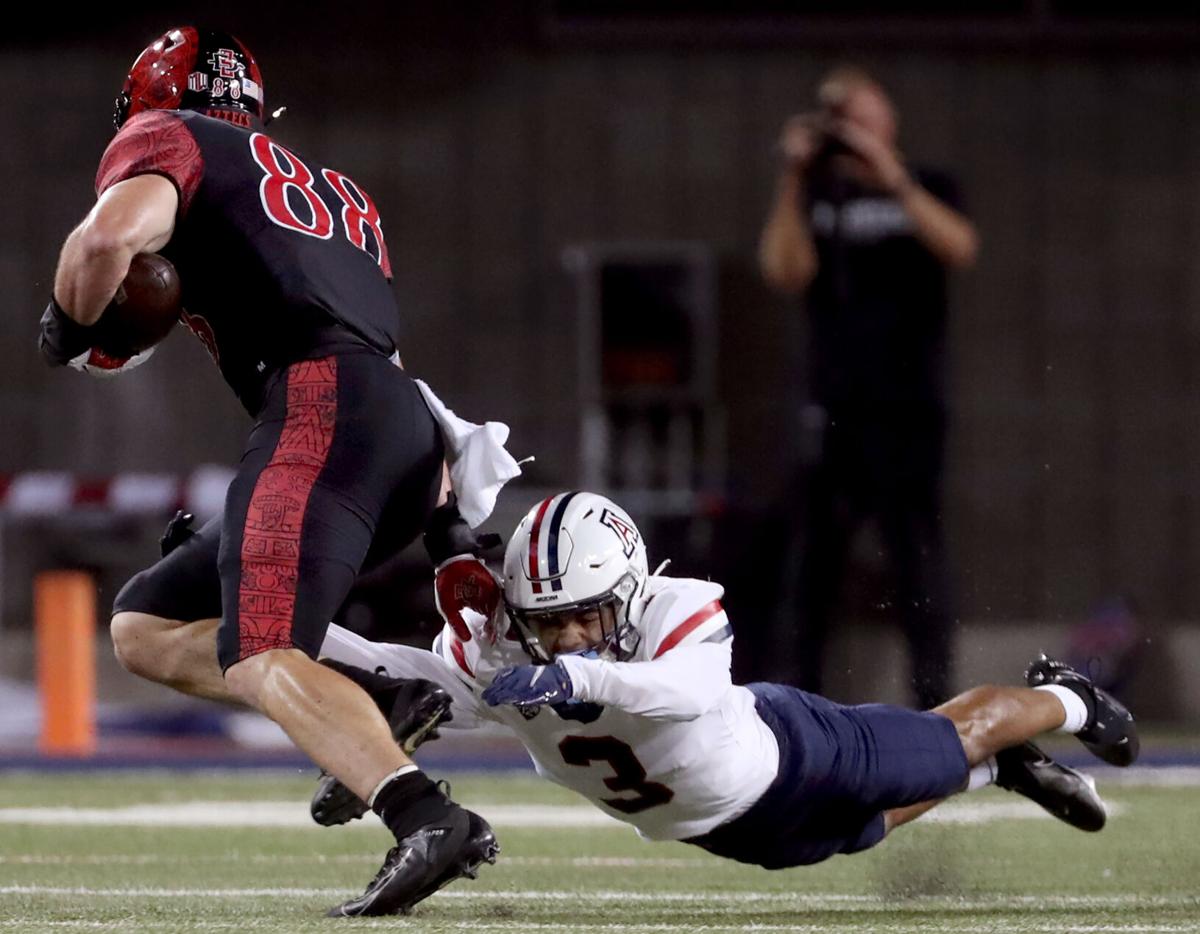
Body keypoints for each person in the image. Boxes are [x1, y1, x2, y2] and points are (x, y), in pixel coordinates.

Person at [37, 27, 498, 916]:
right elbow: (386, 364)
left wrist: (66, 325)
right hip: (398, 434)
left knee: (257, 650)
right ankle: (377, 699)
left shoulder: (166, 136)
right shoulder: (336, 193)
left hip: (322, 410)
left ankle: (425, 816)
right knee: (144, 624)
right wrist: (447, 533)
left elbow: (104, 244)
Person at [312, 491, 1138, 870]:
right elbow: (399, 673)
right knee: (861, 833)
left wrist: (574, 678)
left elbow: (691, 692)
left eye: (585, 616)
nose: (565, 634)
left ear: (629, 590)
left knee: (951, 737)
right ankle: (1003, 769)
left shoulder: (679, 606)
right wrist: (277, 617)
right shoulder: (508, 652)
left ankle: (1070, 697)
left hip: (794, 752)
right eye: (549, 619)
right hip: (720, 826)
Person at [759, 66, 980, 708]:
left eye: (863, 116)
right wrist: (792, 176)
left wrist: (895, 180)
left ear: (887, 121)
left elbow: (960, 246)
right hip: (833, 412)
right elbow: (783, 268)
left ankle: (937, 704)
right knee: (811, 569)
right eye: (840, 119)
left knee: (918, 560)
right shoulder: (817, 195)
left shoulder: (928, 185)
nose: (853, 130)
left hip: (910, 411)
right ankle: (793, 707)